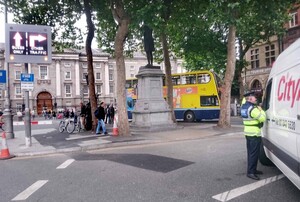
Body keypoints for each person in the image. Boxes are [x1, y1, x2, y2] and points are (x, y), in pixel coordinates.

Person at [241, 91, 266, 180]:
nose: (256, 98)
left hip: (248, 133)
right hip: (254, 134)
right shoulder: (253, 109)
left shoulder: (244, 107)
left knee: (251, 153)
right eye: (254, 97)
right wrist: (261, 110)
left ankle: (253, 170)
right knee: (253, 154)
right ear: (250, 98)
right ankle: (251, 172)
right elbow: (263, 118)